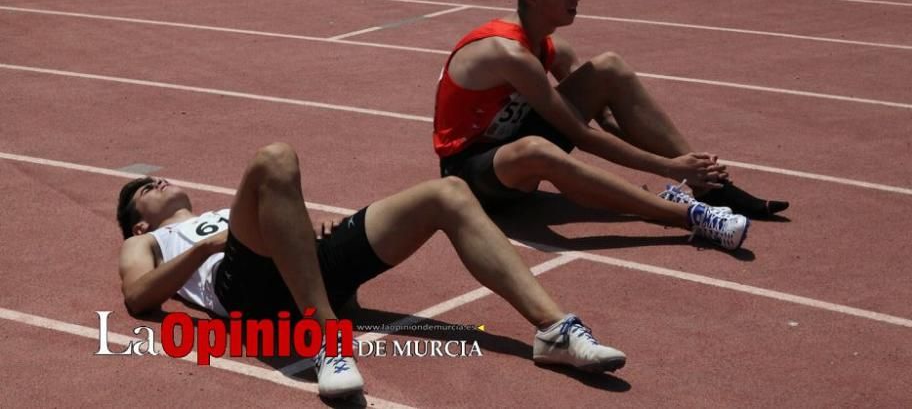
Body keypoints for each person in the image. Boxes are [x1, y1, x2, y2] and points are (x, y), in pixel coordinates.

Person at [116, 143, 627, 400]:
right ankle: (326, 341)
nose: (157, 181)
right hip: (245, 288)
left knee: (445, 194)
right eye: (145, 188)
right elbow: (139, 297)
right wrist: (207, 248)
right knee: (274, 159)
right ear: (139, 222)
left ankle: (554, 329)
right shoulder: (149, 243)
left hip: (300, 268)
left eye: (157, 177)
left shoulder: (229, 211)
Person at [433, 0, 789, 250]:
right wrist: (667, 167)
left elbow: (605, 120)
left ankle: (712, 187)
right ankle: (689, 217)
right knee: (537, 150)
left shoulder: (551, 47)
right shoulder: (509, 53)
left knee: (608, 68)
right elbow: (580, 135)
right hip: (470, 174)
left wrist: (687, 167)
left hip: (511, 146)